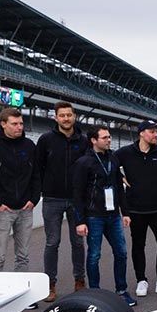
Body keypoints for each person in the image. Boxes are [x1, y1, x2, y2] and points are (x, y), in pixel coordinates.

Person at [72, 127, 135, 306]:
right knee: (94, 255)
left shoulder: (113, 159)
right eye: (105, 137)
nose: (109, 140)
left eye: (109, 137)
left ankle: (122, 290)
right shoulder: (84, 162)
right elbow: (77, 193)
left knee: (121, 252)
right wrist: (80, 221)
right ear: (93, 140)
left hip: (113, 215)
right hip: (94, 216)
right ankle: (95, 293)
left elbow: (119, 187)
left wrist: (125, 212)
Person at [36, 101, 89, 301]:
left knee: (77, 242)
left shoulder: (84, 141)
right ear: (56, 117)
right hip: (52, 198)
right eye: (62, 115)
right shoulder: (46, 140)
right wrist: (41, 190)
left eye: (69, 115)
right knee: (52, 242)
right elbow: (38, 168)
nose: (66, 118)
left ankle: (80, 281)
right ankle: (50, 284)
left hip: (77, 200)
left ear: (74, 116)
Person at [0, 107, 39, 276]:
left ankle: (22, 296)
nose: (19, 127)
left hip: (26, 209)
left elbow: (36, 175)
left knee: (23, 256)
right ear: (3, 124)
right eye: (14, 124)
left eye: (21, 123)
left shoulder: (29, 145)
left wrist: (34, 199)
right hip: (2, 211)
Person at [115, 120, 157, 298]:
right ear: (141, 133)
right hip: (135, 209)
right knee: (138, 245)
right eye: (152, 131)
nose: (156, 134)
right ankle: (142, 280)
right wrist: (121, 177)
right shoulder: (125, 152)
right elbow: (106, 162)